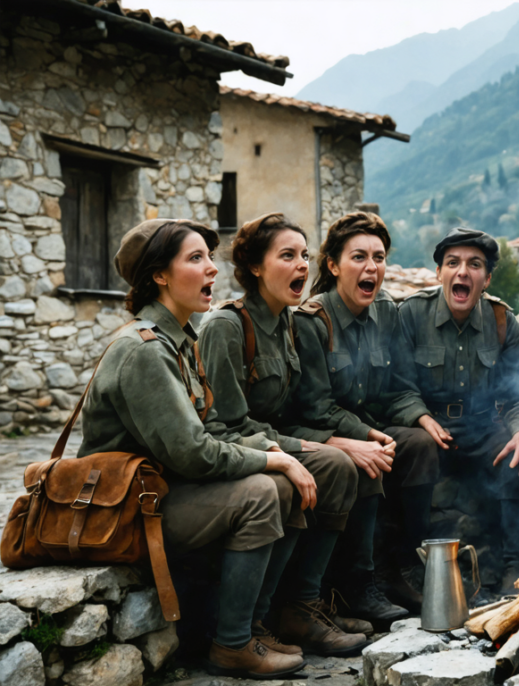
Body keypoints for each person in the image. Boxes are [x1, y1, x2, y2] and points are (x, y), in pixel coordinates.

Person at [78, 218, 311, 679]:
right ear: (159, 275)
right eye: (196, 258)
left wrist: (277, 453)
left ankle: (251, 626)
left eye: (209, 258)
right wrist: (272, 457)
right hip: (124, 510)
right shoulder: (144, 350)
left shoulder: (179, 341)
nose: (212, 270)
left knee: (283, 485)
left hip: (161, 493)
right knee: (262, 491)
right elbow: (195, 453)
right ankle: (231, 645)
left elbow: (215, 430)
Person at [199, 213, 379, 656]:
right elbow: (223, 425)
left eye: (303, 255)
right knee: (319, 468)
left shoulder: (289, 326)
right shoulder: (228, 326)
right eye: (286, 256)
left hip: (272, 441)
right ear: (255, 267)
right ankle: (257, 620)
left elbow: (298, 411)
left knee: (340, 466)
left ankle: (302, 605)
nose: (301, 265)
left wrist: (332, 441)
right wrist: (300, 449)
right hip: (231, 454)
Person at [291, 212, 438, 622]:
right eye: (359, 257)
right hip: (324, 431)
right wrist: (368, 434)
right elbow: (315, 407)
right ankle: (357, 583)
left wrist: (421, 416)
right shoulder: (313, 321)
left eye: (379, 257)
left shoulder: (387, 312)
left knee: (423, 446)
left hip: (371, 425)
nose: (371, 267)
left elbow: (399, 388)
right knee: (370, 458)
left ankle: (398, 567)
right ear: (334, 265)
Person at [391, 227, 519, 591]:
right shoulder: (411, 315)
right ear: (439, 272)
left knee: (517, 453)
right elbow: (397, 387)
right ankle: (409, 567)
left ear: (486, 279)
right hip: (426, 427)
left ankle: (513, 563)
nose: (462, 272)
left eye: (474, 265)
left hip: (481, 428)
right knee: (416, 448)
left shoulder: (502, 321)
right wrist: (421, 417)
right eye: (452, 263)